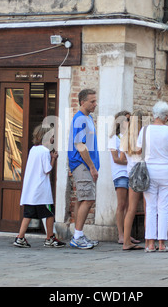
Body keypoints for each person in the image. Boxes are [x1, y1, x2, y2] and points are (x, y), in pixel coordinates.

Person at [137, 101, 168, 252]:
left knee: (150, 207)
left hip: (149, 170)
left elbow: (138, 150)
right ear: (166, 116)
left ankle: (149, 243)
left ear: (154, 115)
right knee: (163, 207)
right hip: (167, 171)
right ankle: (161, 243)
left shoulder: (145, 130)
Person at [13, 124, 65, 248]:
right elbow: (47, 169)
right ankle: (50, 237)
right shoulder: (45, 151)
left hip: (31, 190)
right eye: (52, 136)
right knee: (49, 213)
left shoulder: (33, 149)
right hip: (41, 191)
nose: (53, 139)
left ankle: (20, 237)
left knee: (28, 214)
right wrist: (54, 158)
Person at [68, 89, 100, 249]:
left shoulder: (88, 118)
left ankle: (78, 234)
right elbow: (80, 145)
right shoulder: (80, 119)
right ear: (82, 102)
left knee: (82, 198)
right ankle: (77, 236)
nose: (95, 104)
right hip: (82, 164)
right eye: (92, 101)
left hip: (83, 164)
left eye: (95, 101)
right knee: (88, 198)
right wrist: (92, 167)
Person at [108, 110, 141, 245]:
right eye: (128, 119)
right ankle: (121, 235)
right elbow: (116, 159)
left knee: (130, 206)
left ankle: (127, 235)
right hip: (120, 173)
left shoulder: (131, 136)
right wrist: (133, 160)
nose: (130, 122)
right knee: (122, 205)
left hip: (130, 173)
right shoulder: (114, 138)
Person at [120, 110, 147, 251]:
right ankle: (150, 240)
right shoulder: (143, 135)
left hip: (131, 172)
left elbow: (122, 157)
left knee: (131, 208)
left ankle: (126, 241)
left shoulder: (125, 137)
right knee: (148, 207)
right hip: (143, 171)